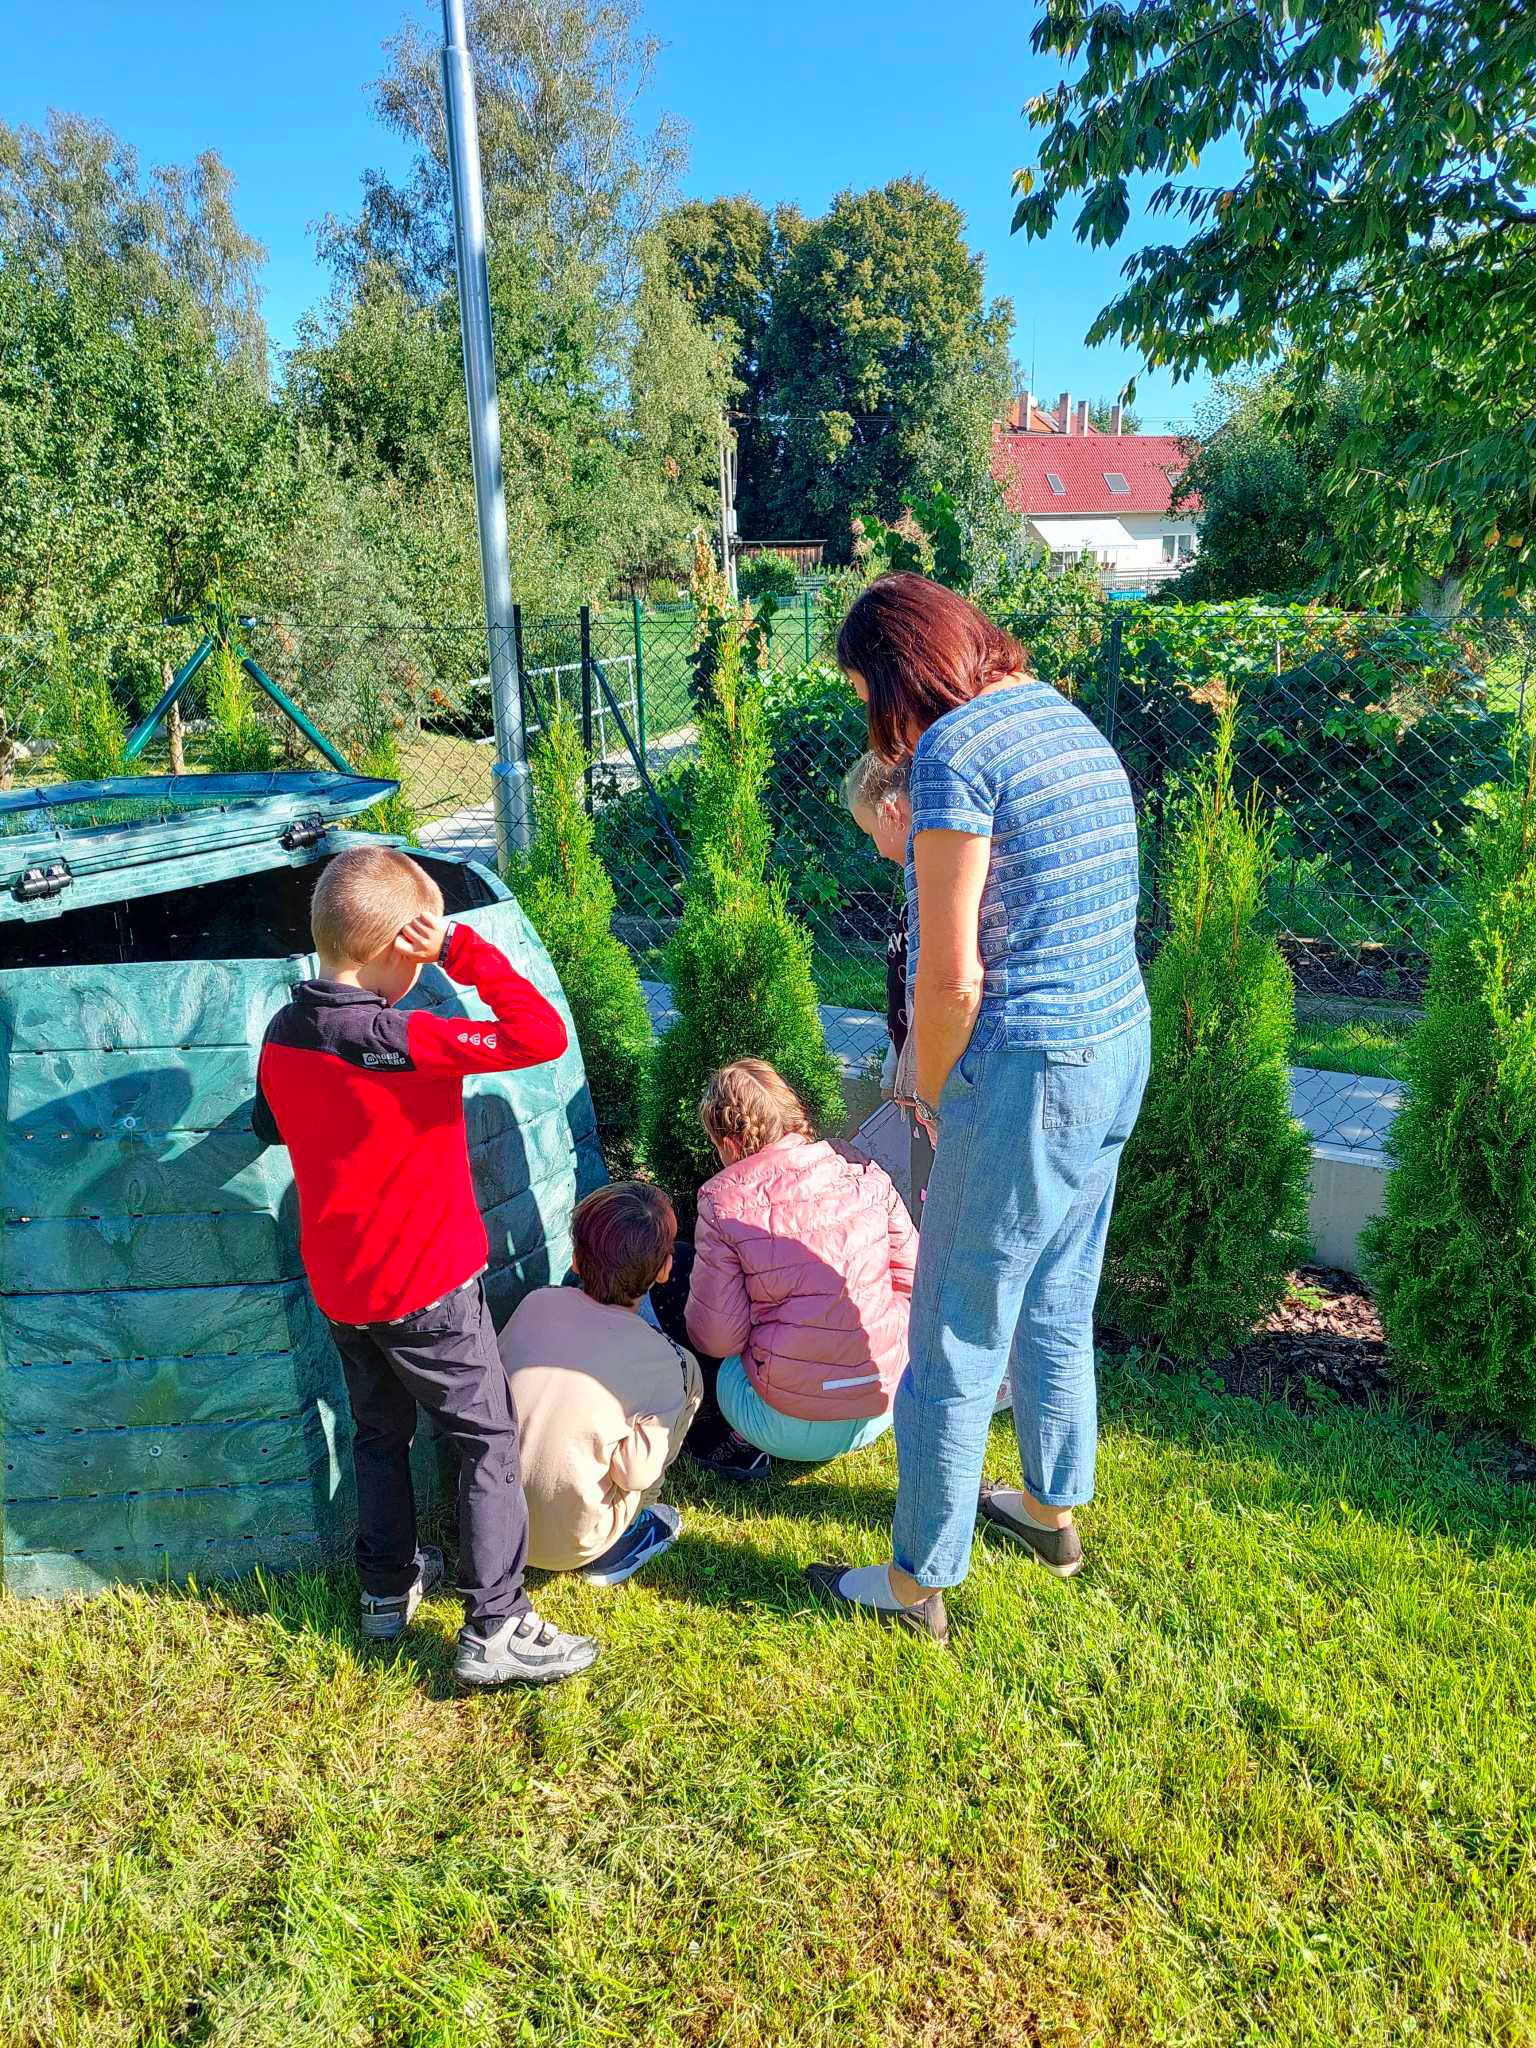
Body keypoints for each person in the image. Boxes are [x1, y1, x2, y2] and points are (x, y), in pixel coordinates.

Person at [808, 573, 1150, 1645]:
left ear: (899, 671)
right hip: (1116, 1042)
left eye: (869, 685)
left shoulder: (959, 753)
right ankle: (1052, 1509)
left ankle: (917, 1583)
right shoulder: (1060, 713)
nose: (875, 711)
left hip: (1030, 1066)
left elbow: (952, 980)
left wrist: (923, 1083)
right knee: (1057, 1293)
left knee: (954, 1324)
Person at [252, 844, 600, 1688]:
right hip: (428, 1288)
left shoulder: (286, 1028)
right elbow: (537, 1034)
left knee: (378, 1434)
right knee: (485, 1440)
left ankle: (386, 1587)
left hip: (343, 1287)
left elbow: (270, 1125)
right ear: (401, 946)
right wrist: (462, 952)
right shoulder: (399, 1038)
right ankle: (497, 1624)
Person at [685, 1060, 917, 1464]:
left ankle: (744, 1440)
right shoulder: (864, 1173)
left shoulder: (723, 1202)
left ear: (729, 1141)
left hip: (785, 1423)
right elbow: (916, 1279)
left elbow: (717, 1338)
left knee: (725, 1374)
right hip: (885, 1402)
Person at [499, 1182, 702, 1586]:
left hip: (489, 1520)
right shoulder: (671, 1362)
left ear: (575, 1259)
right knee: (687, 1383)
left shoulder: (534, 1302)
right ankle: (621, 1541)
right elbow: (636, 1475)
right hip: (569, 1545)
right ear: (665, 1269)